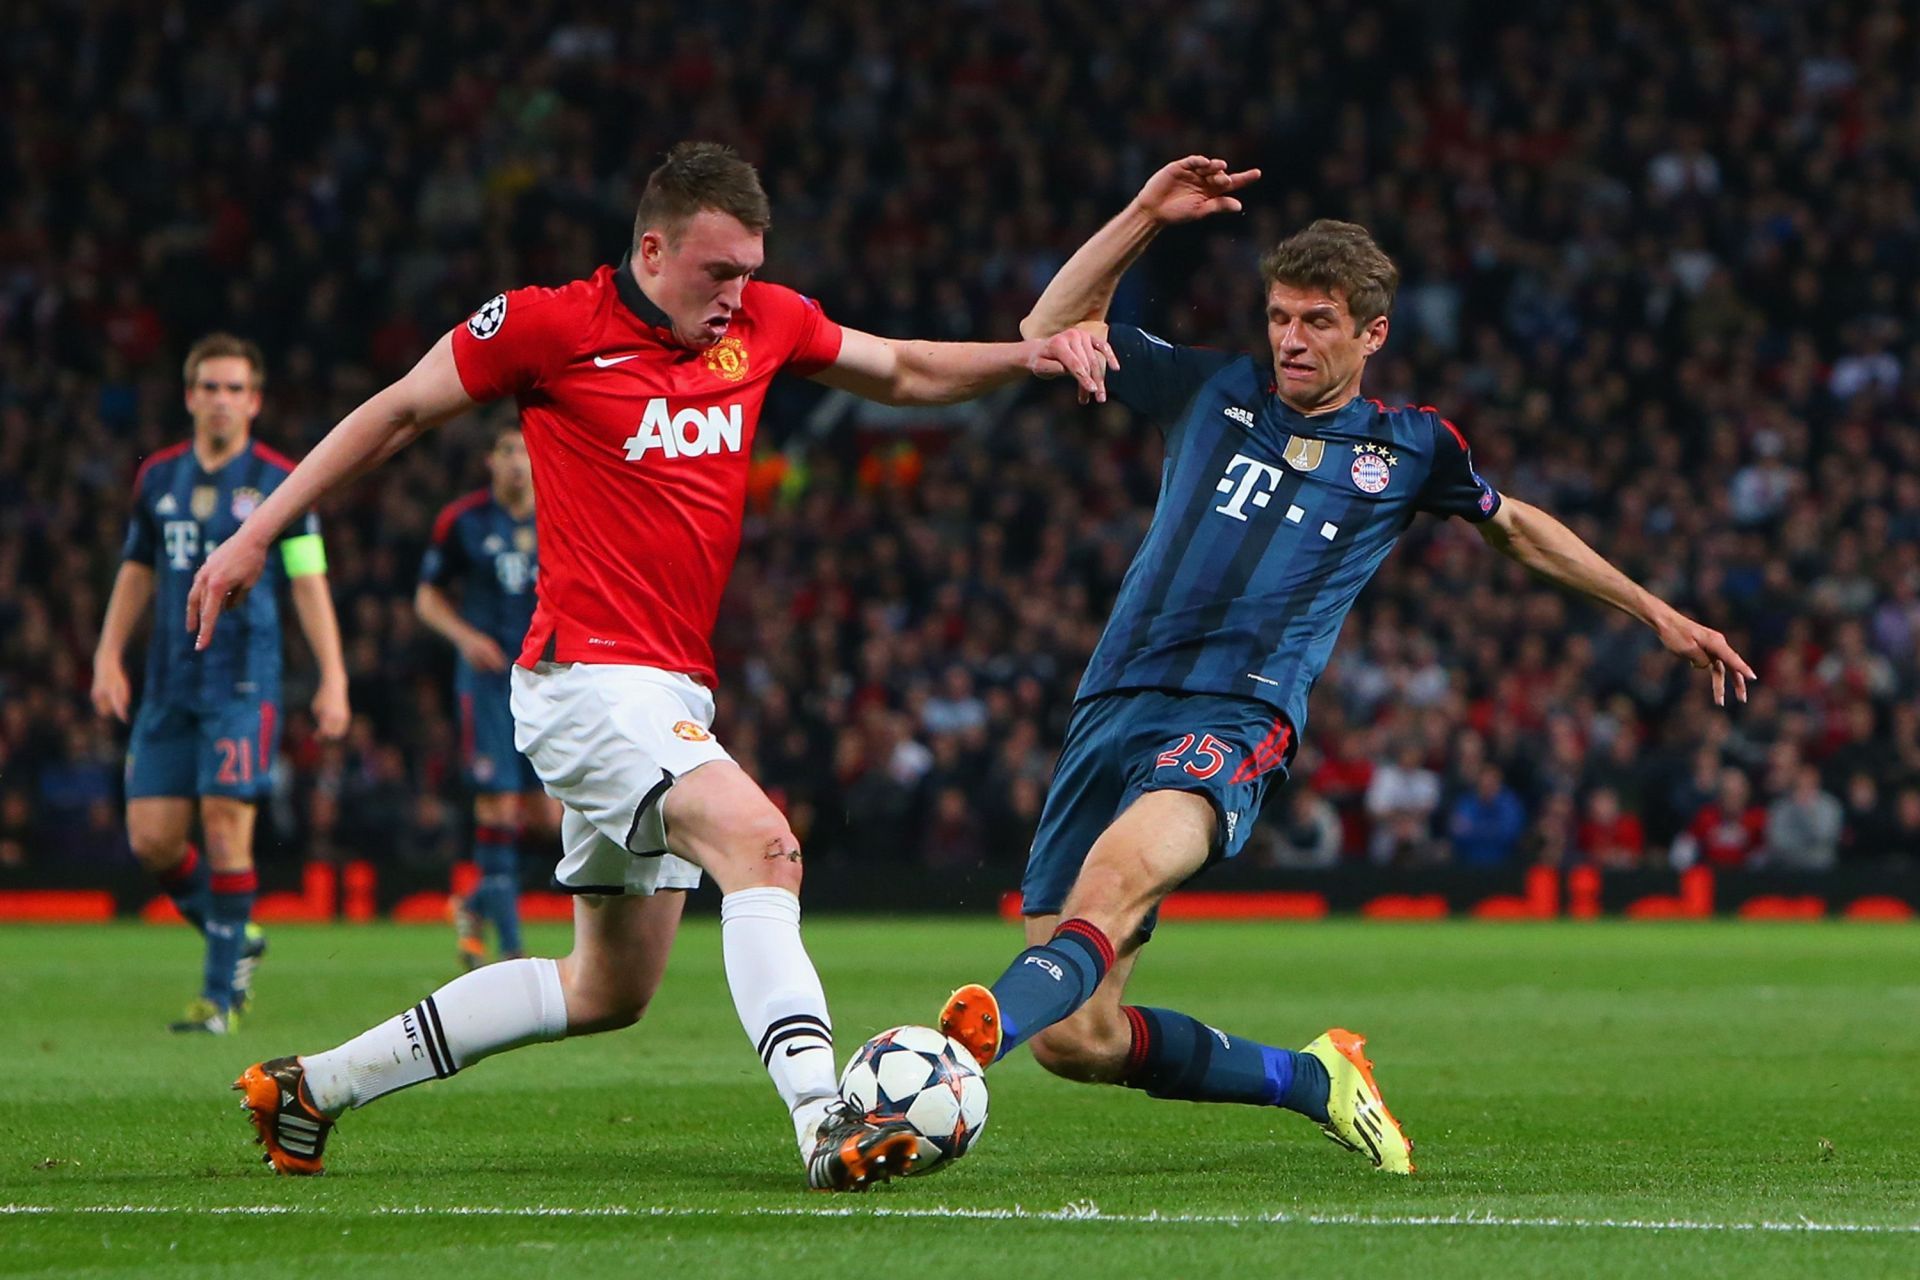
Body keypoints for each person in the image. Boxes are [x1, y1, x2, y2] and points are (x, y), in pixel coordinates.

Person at [187, 142, 1111, 1190]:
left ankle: (311, 1086)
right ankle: (826, 1116)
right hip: (586, 678)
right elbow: (398, 408)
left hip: (667, 688)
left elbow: (899, 367)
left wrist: (1025, 358)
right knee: (766, 848)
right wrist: (258, 531)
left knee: (606, 987)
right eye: (719, 273)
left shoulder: (763, 324)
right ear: (654, 248)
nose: (738, 295)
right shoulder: (548, 326)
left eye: (751, 271)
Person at [935, 156, 1755, 1176]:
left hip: (1238, 716)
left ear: (1372, 333)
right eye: (1280, 315)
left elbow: (1519, 530)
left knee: (1117, 874)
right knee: (1081, 1038)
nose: (1289, 337)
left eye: (1318, 320)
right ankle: (1314, 1077)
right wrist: (1147, 213)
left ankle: (954, 1051)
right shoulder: (1212, 386)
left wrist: (1657, 612)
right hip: (1112, 701)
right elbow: (1041, 333)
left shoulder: (1409, 448)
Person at [91, 333, 350, 1033]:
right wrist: (107, 654)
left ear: (256, 401)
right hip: (168, 683)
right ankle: (236, 934)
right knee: (152, 841)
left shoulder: (278, 479)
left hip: (241, 681)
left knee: (226, 826)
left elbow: (307, 579)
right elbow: (137, 571)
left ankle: (220, 1000)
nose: (221, 400)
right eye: (209, 387)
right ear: (189, 396)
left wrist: (333, 675)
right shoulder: (158, 480)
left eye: (235, 388)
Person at [415, 426, 558, 970]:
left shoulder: (561, 511)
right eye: (506, 451)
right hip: (487, 683)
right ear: (489, 460)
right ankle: (514, 948)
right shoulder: (463, 521)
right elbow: (426, 596)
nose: (518, 462)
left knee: (551, 816)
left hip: (547, 680)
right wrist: (465, 637)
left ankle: (473, 904)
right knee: (497, 803)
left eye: (526, 449)